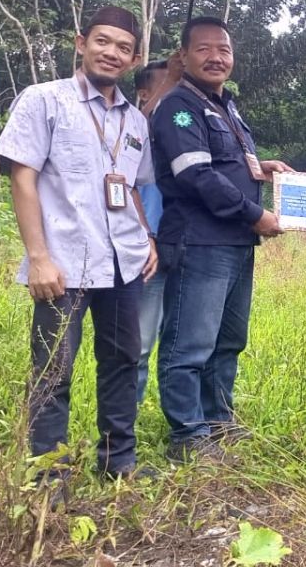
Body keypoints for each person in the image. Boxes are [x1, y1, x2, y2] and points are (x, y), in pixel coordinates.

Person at [0, 5, 158, 488]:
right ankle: (49, 478)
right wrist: (38, 257)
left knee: (123, 362)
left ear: (134, 58)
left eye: (123, 47)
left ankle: (117, 462)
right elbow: (22, 179)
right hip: (63, 264)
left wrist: (145, 236)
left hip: (124, 263)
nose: (111, 53)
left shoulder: (136, 121)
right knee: (53, 370)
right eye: (102, 41)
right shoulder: (44, 100)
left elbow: (129, 187)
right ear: (80, 42)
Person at [150, 16, 290, 463]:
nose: (216, 57)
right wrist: (255, 215)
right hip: (199, 242)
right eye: (205, 48)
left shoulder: (224, 106)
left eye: (224, 49)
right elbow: (195, 175)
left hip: (234, 245)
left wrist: (261, 167)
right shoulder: (178, 107)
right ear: (184, 56)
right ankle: (187, 436)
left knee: (228, 340)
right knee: (189, 343)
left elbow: (229, 162)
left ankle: (218, 422)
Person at [134, 58, 174, 403]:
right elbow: (141, 121)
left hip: (184, 246)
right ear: (144, 94)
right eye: (167, 86)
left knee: (181, 341)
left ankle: (181, 416)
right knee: (140, 343)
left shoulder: (182, 124)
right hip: (147, 248)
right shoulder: (134, 128)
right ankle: (122, 426)